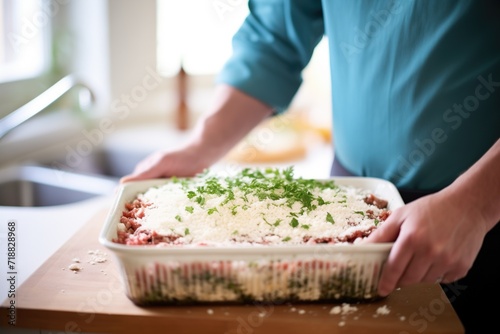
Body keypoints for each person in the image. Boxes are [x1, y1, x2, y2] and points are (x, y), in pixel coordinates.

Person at [121, 1, 500, 332]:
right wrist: (198, 148)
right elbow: (274, 38)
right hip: (353, 208)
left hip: (479, 218)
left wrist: (476, 204)